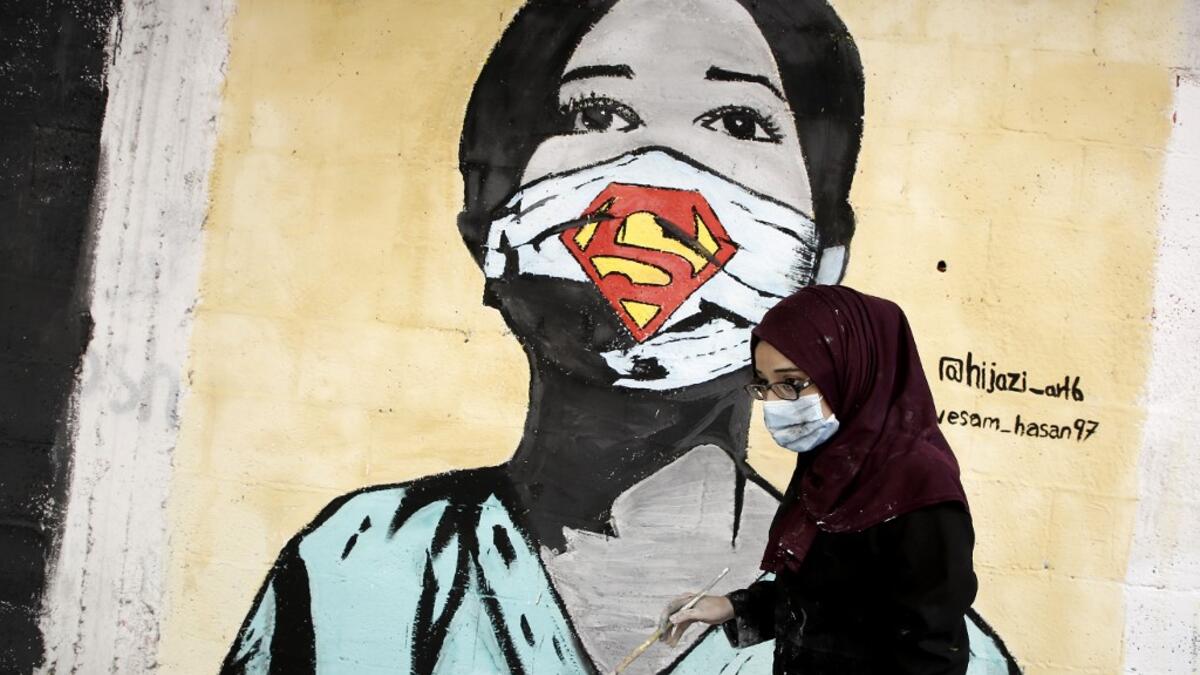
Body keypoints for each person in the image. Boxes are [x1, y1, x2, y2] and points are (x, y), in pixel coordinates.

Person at [222, 0, 1014, 672]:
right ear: (489, 216)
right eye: (595, 114)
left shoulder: (928, 637)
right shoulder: (361, 565)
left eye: (738, 121)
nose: (658, 176)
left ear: (824, 257)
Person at [659, 285, 978, 674]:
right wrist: (731, 606)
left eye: (791, 383)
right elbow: (827, 597)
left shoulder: (920, 486)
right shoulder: (832, 463)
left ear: (851, 369)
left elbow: (931, 653)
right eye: (764, 384)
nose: (775, 403)